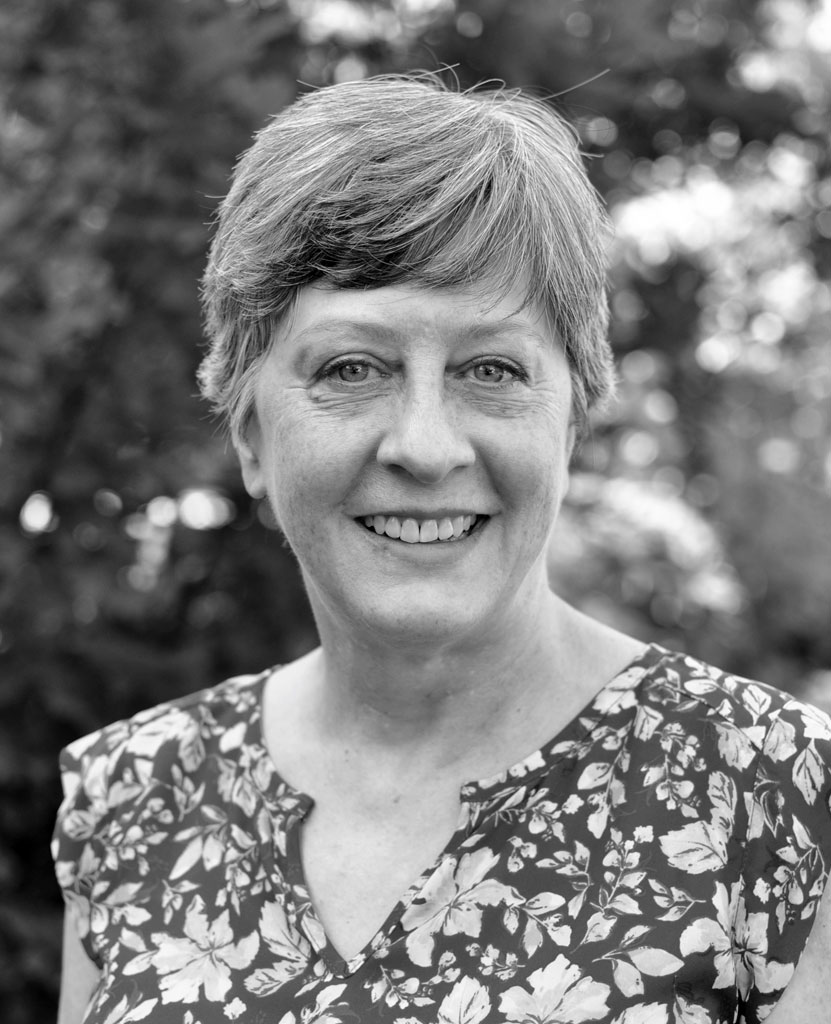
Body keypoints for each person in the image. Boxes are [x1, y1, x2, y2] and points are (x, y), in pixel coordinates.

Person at [53, 73, 831, 1024]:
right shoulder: (130, 799)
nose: (424, 446)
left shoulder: (775, 792)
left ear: (572, 422)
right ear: (251, 438)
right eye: (351, 368)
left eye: (491, 370)